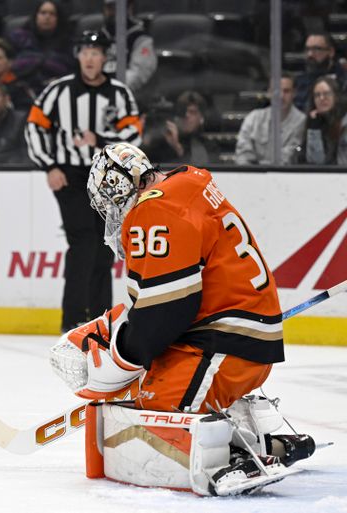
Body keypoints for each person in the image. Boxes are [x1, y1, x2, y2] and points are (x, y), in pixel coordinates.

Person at [52, 142, 315, 495]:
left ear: (118, 187)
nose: (112, 213)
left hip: (223, 350)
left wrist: (125, 357)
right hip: (238, 339)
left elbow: (168, 310)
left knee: (148, 411)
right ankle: (263, 439)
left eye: (109, 201)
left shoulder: (153, 208)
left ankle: (240, 452)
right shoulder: (187, 181)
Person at [24, 30, 141, 333]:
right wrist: (49, 165)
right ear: (78, 56)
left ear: (105, 57)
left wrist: (101, 140)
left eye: (96, 51)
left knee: (104, 248)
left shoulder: (119, 93)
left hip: (107, 178)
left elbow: (134, 135)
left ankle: (101, 320)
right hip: (71, 176)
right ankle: (74, 320)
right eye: (85, 51)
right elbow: (35, 127)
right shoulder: (58, 91)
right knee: (82, 242)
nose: (90, 57)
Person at [6, 0, 75, 94]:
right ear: (36, 16)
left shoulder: (67, 43)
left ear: (58, 18)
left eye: (52, 14)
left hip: (58, 91)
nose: (47, 17)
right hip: (20, 91)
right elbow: (8, 65)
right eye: (43, 13)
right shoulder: (18, 38)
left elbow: (70, 71)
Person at [236, 73, 306, 165]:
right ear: (269, 93)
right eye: (276, 91)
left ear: (294, 93)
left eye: (286, 91)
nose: (281, 96)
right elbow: (242, 155)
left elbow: (289, 158)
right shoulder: (253, 118)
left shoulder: (302, 121)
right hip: (252, 176)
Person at [99, 0, 156, 93]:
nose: (113, 12)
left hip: (129, 95)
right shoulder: (101, 35)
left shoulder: (140, 38)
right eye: (109, 7)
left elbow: (138, 74)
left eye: (116, 7)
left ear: (129, 8)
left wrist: (111, 90)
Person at [161, 90, 219, 164]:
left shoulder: (210, 147)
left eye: (192, 112)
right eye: (183, 111)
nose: (187, 115)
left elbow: (200, 172)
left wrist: (177, 148)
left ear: (201, 118)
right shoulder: (164, 142)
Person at [293, 32, 347, 111]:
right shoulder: (300, 81)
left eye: (316, 49)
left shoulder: (344, 81)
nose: (310, 54)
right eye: (307, 49)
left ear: (331, 52)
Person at [301, 76, 347, 165]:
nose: (322, 98)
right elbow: (315, 161)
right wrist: (314, 128)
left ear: (336, 96)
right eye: (317, 95)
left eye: (327, 94)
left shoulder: (344, 123)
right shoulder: (313, 121)